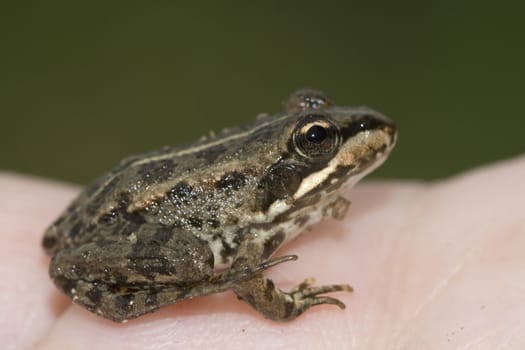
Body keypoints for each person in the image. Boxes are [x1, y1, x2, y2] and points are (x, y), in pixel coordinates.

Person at [2, 156, 524, 349]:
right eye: (317, 140)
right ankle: (196, 282)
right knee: (199, 261)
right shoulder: (254, 229)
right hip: (133, 221)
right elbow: (250, 276)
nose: (345, 146)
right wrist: (288, 307)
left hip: (120, 195)